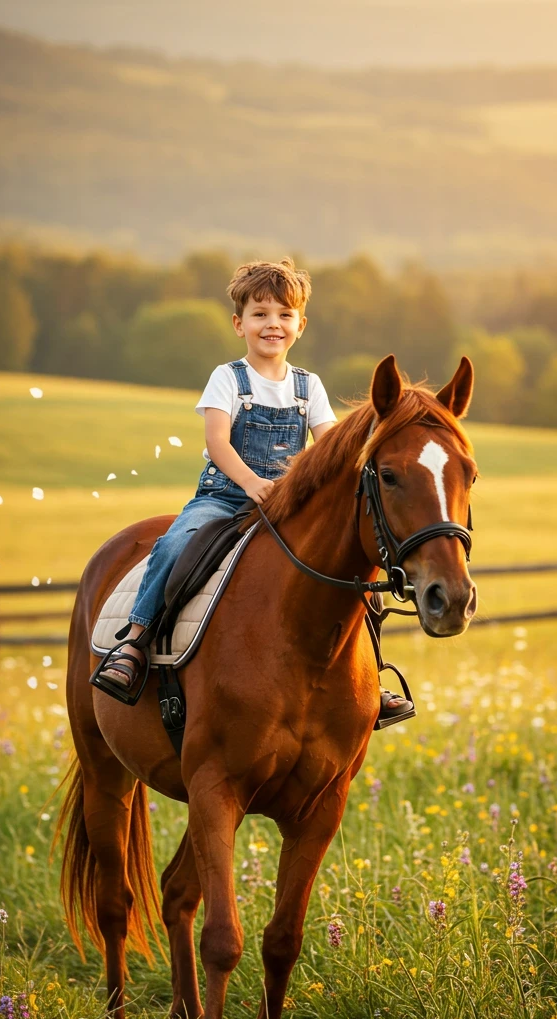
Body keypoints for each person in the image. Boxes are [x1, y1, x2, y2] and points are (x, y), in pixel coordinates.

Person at [91, 256, 414, 725]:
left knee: (360, 577)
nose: (272, 325)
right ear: (239, 323)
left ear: (300, 325)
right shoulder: (229, 378)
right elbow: (217, 441)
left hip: (290, 506)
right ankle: (135, 642)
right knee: (176, 544)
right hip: (226, 497)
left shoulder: (309, 385)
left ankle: (371, 675)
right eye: (260, 315)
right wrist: (252, 484)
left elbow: (332, 447)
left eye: (284, 315)